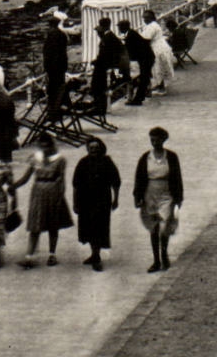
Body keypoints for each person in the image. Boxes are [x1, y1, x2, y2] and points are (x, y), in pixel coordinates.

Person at [13, 134, 73, 267]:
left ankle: (52, 255)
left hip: (53, 191)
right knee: (35, 224)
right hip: (38, 192)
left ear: (52, 146)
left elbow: (62, 179)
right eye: (42, 146)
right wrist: (13, 186)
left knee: (53, 224)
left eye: (47, 146)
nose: (45, 149)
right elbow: (26, 177)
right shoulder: (35, 158)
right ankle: (29, 256)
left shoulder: (60, 160)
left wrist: (60, 195)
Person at [133, 127, 183, 272]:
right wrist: (137, 196)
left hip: (166, 193)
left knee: (165, 225)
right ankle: (156, 260)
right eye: (152, 140)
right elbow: (139, 178)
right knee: (153, 227)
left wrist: (178, 197)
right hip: (150, 193)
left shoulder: (171, 157)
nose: (154, 143)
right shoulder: (146, 157)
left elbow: (177, 177)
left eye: (157, 140)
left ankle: (164, 254)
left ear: (163, 140)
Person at [71, 136, 121, 271]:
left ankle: (96, 257)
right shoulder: (83, 163)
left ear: (101, 148)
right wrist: (75, 203)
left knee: (99, 227)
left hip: (102, 200)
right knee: (88, 227)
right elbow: (75, 185)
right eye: (91, 148)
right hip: (85, 200)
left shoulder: (107, 162)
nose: (94, 150)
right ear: (87, 149)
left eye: (96, 148)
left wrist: (116, 199)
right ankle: (94, 254)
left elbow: (116, 182)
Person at [42, 10, 74, 121]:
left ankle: (53, 113)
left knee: (52, 91)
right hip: (61, 66)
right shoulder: (62, 34)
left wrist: (47, 67)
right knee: (60, 88)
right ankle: (61, 108)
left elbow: (50, 53)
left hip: (53, 68)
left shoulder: (51, 35)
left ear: (51, 25)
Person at [139, 9, 175, 95]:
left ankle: (161, 88)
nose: (145, 19)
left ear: (151, 18)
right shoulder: (154, 25)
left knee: (158, 68)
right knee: (160, 67)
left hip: (157, 48)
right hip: (161, 46)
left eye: (147, 18)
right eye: (144, 18)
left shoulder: (151, 27)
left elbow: (146, 39)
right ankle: (160, 85)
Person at [90, 17, 121, 116]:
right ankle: (99, 106)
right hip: (104, 65)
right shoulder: (110, 36)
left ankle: (99, 108)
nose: (98, 33)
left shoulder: (107, 38)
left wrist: (97, 62)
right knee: (98, 86)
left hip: (104, 67)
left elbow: (105, 55)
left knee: (98, 86)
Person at [120, 18, 154, 105]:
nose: (119, 29)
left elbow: (131, 52)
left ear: (124, 27)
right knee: (144, 78)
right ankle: (141, 96)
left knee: (143, 78)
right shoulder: (131, 33)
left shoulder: (130, 36)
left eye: (120, 27)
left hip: (146, 58)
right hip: (146, 57)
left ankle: (138, 99)